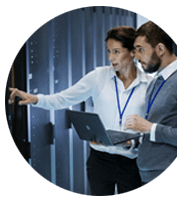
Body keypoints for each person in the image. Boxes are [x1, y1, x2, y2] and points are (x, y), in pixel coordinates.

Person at [9, 26, 152, 196]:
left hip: (132, 162)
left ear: (133, 52)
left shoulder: (149, 85)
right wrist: (36, 99)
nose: (110, 58)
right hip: (100, 160)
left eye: (116, 52)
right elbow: (64, 98)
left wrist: (134, 142)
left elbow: (154, 126)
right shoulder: (99, 76)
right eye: (109, 51)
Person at [125, 21, 177, 185]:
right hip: (146, 173)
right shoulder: (156, 82)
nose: (135, 56)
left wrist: (150, 128)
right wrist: (133, 141)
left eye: (141, 49)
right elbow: (159, 127)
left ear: (161, 49)